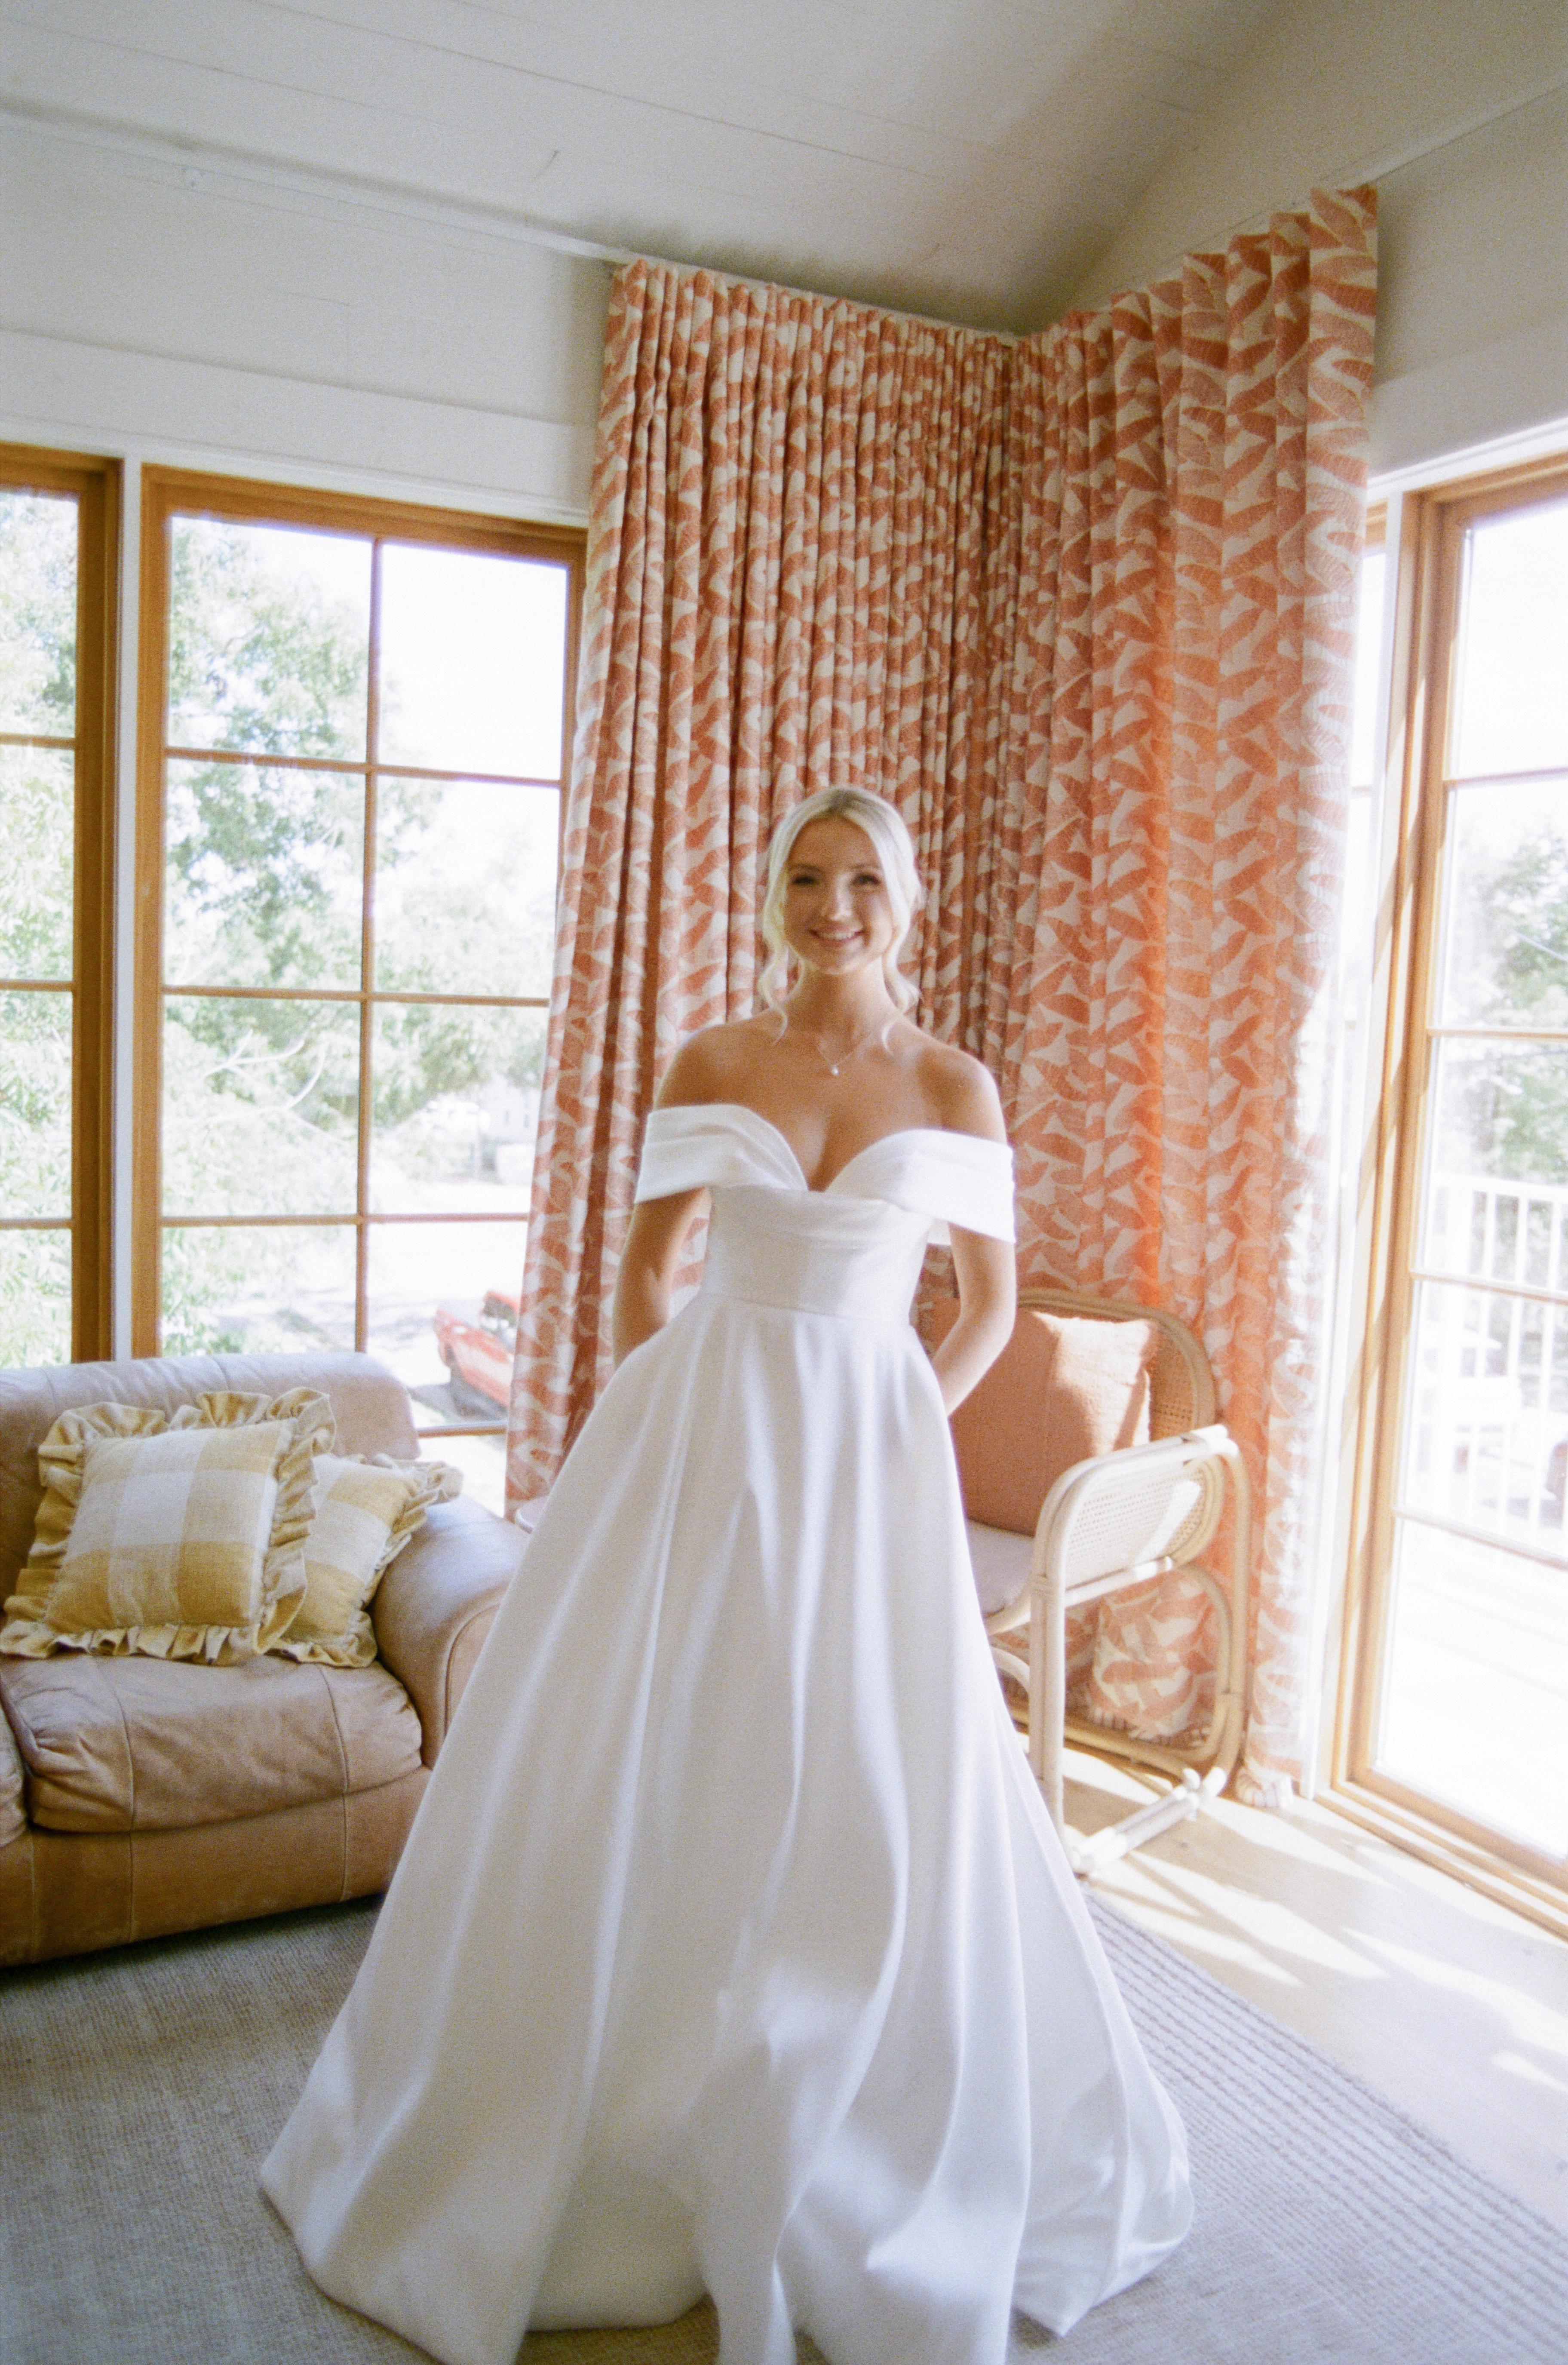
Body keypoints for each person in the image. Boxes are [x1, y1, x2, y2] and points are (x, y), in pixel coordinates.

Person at [261, 786, 1191, 2365]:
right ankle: (623, 2099)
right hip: (707, 1433)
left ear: (906, 897)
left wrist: (900, 1422)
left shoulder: (952, 1085)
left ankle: (839, 2103)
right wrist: (668, 1425)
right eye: (806, 878)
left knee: (865, 1765)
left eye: (863, 880)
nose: (834, 906)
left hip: (870, 1455)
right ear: (775, 894)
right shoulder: (709, 1061)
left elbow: (986, 1301)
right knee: (668, 1746)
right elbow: (650, 1272)